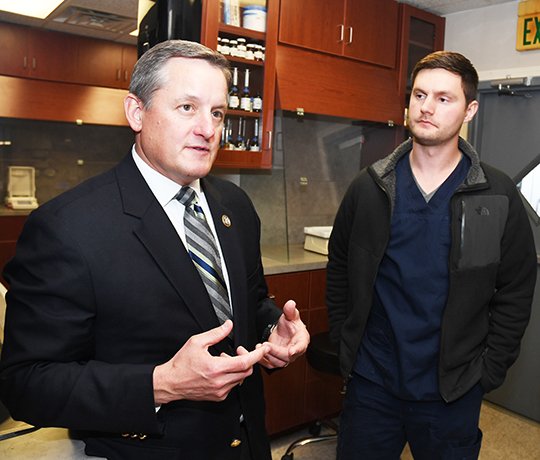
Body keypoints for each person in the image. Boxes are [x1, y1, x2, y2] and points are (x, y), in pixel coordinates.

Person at [0, 40, 309, 460]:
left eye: (217, 112)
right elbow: (27, 384)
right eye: (187, 107)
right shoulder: (67, 228)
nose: (208, 128)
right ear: (136, 112)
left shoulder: (234, 206)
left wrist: (274, 330)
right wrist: (162, 383)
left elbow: (249, 301)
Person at [326, 51, 537, 459]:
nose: (426, 107)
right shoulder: (369, 187)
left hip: (452, 390)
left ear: (469, 109)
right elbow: (339, 268)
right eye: (420, 94)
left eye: (444, 98)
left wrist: (488, 370)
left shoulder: (495, 195)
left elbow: (516, 288)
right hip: (373, 384)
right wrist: (344, 340)